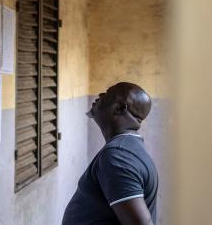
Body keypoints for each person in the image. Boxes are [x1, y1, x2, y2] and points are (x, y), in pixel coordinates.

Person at [62, 82, 158, 225]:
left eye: (107, 93)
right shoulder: (127, 147)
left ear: (119, 108)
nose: (100, 95)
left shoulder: (118, 155)